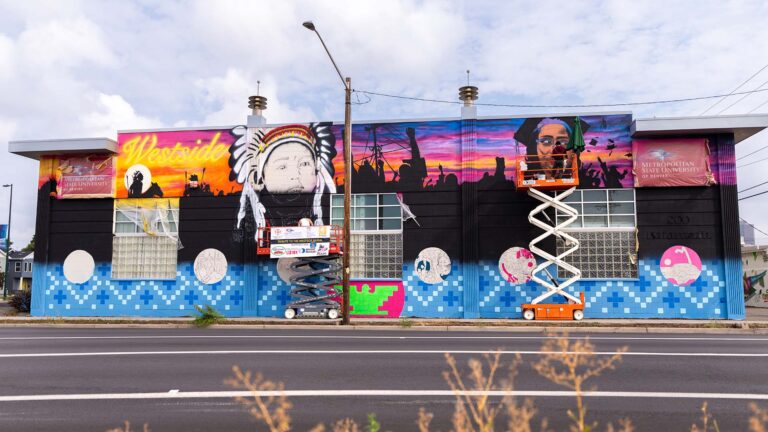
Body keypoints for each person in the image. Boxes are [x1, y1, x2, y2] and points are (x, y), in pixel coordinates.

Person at [229, 123, 337, 232]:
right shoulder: (252, 219)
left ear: (316, 169)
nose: (295, 175)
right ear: (261, 177)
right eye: (282, 167)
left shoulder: (322, 207)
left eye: (304, 164)